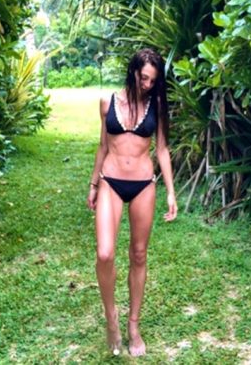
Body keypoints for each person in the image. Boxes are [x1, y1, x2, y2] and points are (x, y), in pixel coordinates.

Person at [87, 48, 178, 357]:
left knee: (139, 254)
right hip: (110, 182)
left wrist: (170, 192)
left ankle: (133, 325)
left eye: (153, 80)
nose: (147, 85)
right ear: (133, 72)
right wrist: (93, 184)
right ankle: (111, 317)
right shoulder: (107, 102)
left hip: (143, 185)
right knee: (105, 253)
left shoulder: (157, 105)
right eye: (143, 78)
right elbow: (103, 146)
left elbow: (162, 150)